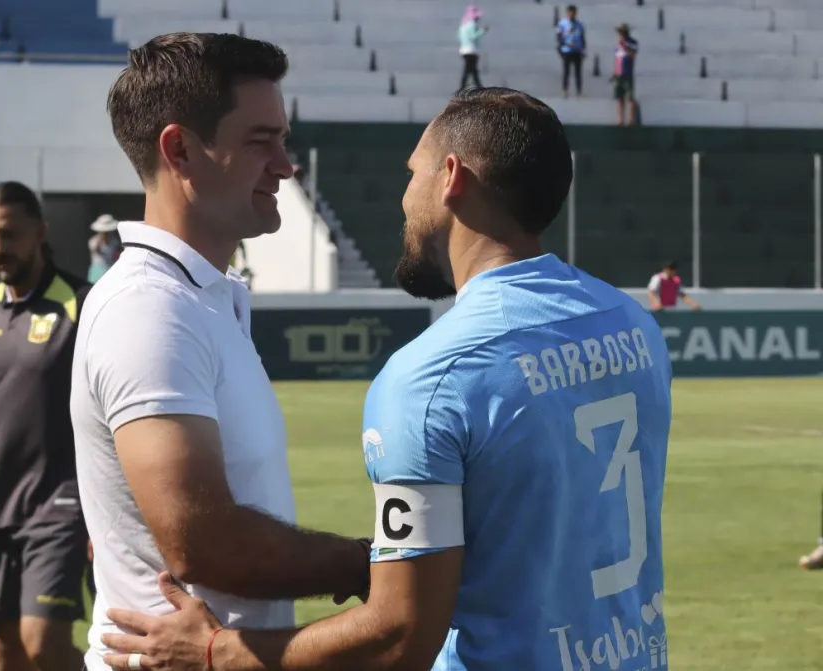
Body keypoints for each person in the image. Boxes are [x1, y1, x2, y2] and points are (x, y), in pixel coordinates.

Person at [96, 87, 674, 671]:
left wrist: (216, 652)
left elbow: (398, 638)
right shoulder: (633, 325)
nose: (404, 197)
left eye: (412, 173)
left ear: (451, 178)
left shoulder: (432, 379)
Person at [69, 33, 372, 671]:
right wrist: (374, 566)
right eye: (261, 141)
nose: (285, 165)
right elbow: (203, 542)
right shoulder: (149, 307)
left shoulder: (198, 297)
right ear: (179, 149)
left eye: (282, 140)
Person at [0, 181, 92, 671]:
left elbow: (110, 415)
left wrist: (105, 513)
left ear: (40, 233)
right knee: (7, 652)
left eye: (8, 234)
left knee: (42, 644)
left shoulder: (81, 304)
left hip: (62, 506)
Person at [557, 4, 586, 98]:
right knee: (566, 72)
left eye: (573, 13)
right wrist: (565, 45)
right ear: (568, 13)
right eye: (570, 12)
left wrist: (583, 49)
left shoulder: (579, 25)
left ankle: (579, 92)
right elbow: (559, 38)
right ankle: (565, 90)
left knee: (578, 73)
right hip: (567, 51)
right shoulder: (563, 24)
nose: (572, 14)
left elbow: (582, 38)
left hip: (577, 51)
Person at [613, 23, 639, 126]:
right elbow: (617, 59)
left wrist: (625, 45)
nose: (621, 34)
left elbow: (633, 54)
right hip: (619, 74)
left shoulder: (632, 42)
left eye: (622, 32)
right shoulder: (618, 45)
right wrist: (614, 72)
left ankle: (632, 119)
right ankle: (620, 119)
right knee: (620, 98)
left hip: (627, 73)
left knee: (630, 97)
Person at [458, 4, 487, 90]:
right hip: (471, 50)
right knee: (469, 70)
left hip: (464, 50)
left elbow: (458, 37)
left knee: (472, 70)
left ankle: (477, 86)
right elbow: (473, 36)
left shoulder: (463, 25)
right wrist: (483, 30)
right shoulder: (472, 25)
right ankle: (465, 87)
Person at [88, 214, 122, 283]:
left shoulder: (114, 241)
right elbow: (95, 250)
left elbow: (117, 253)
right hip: (97, 269)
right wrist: (101, 240)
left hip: (110, 268)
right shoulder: (93, 241)